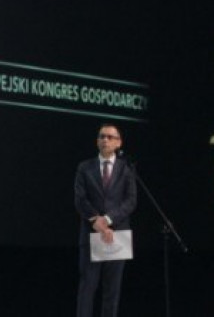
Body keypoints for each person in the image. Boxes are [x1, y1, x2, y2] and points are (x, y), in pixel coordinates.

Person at [74, 122, 137, 317]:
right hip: (91, 234)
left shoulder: (127, 169)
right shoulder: (84, 167)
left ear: (119, 143)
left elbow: (130, 201)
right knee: (87, 288)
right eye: (102, 136)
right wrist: (96, 220)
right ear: (97, 141)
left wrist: (108, 219)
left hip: (117, 235)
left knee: (112, 291)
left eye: (110, 137)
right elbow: (80, 199)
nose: (105, 140)